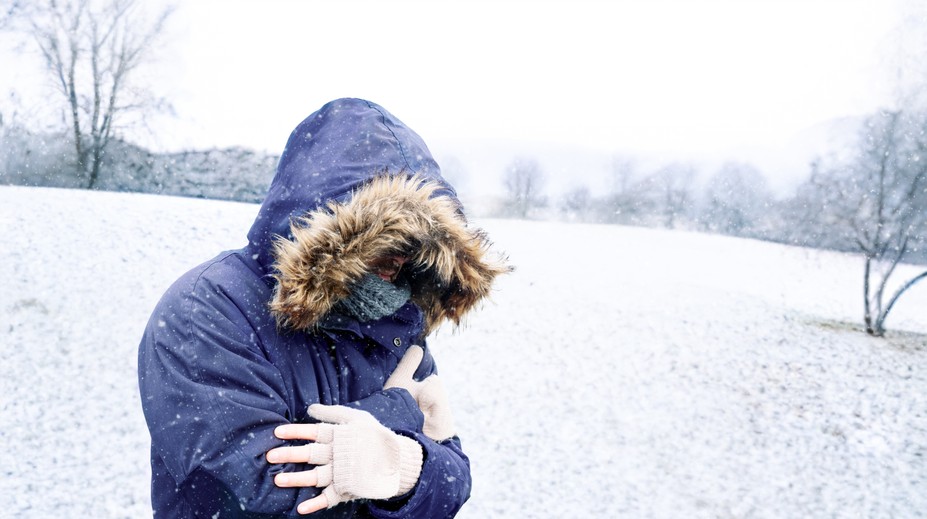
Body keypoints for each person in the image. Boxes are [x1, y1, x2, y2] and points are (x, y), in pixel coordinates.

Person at [138, 98, 509, 518]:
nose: (399, 260)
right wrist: (395, 415)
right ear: (332, 232)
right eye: (384, 240)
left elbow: (454, 481)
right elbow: (244, 497)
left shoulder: (398, 321)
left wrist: (403, 470)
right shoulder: (208, 308)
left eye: (416, 246)